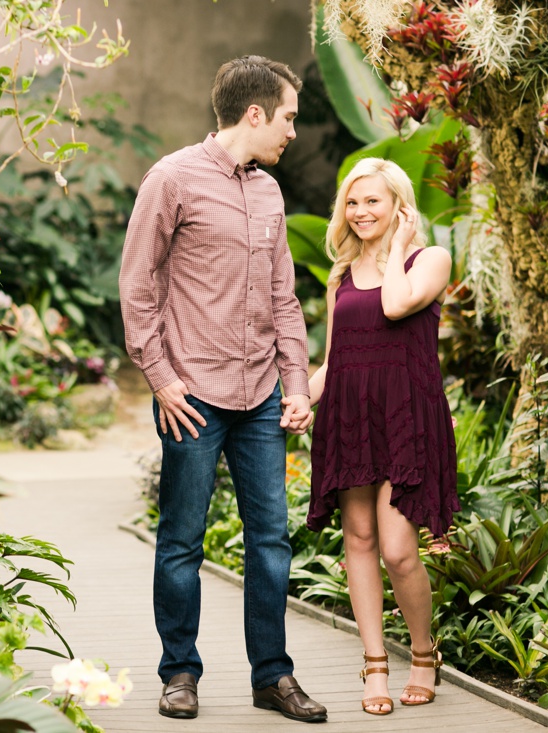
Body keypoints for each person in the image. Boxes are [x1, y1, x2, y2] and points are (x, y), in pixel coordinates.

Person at [119, 55, 327, 724]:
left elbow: (283, 297)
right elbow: (138, 285)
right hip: (193, 396)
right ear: (255, 112)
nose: (293, 131)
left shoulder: (268, 192)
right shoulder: (172, 179)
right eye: (289, 117)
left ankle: (273, 675)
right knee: (183, 538)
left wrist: (296, 382)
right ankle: (180, 671)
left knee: (271, 539)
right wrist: (161, 378)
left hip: (261, 394)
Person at [306, 157, 458, 716]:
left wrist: (396, 248)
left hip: (406, 414)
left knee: (398, 549)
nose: (361, 211)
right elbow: (333, 359)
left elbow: (396, 305)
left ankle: (423, 653)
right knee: (360, 540)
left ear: (398, 204)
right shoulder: (340, 276)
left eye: (373, 200)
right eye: (352, 201)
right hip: (350, 416)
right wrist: (298, 398)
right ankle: (374, 664)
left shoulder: (430, 259)